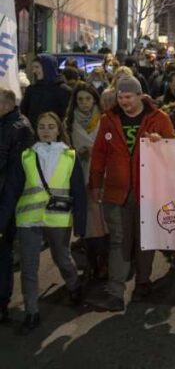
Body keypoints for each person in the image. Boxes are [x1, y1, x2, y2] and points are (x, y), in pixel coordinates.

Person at [87, 76, 175, 312]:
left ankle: (143, 284)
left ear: (139, 96)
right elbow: (99, 154)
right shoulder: (109, 120)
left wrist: (162, 143)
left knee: (145, 241)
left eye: (128, 97)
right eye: (120, 97)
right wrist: (95, 184)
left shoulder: (159, 119)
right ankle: (115, 292)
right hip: (116, 193)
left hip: (149, 191)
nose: (124, 101)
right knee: (118, 241)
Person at [0, 112, 86, 334]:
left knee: (62, 257)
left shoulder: (69, 155)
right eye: (41, 126)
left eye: (50, 126)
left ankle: (74, 285)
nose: (46, 130)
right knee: (29, 267)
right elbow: (11, 191)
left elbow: (78, 190)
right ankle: (32, 312)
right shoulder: (26, 156)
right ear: (36, 130)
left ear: (58, 130)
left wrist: (81, 224)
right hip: (29, 219)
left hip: (58, 218)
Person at [64, 83, 109, 281]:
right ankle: (93, 263)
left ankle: (105, 264)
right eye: (80, 99)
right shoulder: (69, 122)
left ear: (94, 100)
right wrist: (76, 153)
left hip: (104, 176)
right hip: (81, 177)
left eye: (88, 99)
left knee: (106, 222)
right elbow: (64, 150)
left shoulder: (105, 120)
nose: (84, 103)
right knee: (89, 225)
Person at [0, 88, 34, 324]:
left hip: (5, 202)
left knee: (2, 253)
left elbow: (14, 177)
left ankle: (2, 303)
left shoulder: (19, 128)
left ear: (9, 103)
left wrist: (4, 214)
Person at [20, 54, 72, 126]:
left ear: (47, 67)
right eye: (33, 67)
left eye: (37, 67)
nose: (34, 71)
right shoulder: (31, 90)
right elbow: (23, 112)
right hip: (32, 134)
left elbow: (67, 117)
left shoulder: (64, 91)